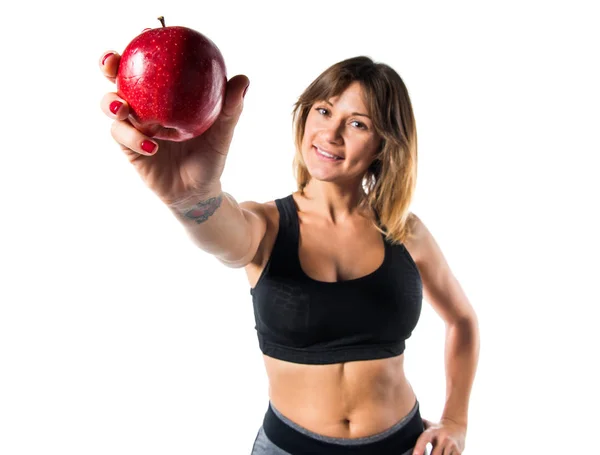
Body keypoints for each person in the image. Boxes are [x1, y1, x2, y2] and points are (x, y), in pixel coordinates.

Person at [99, 50, 480, 455]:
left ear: (385, 144)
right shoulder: (266, 225)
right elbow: (221, 234)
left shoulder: (405, 231)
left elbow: (462, 320)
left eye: (356, 123)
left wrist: (455, 421)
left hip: (403, 445)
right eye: (323, 111)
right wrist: (191, 197)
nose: (330, 134)